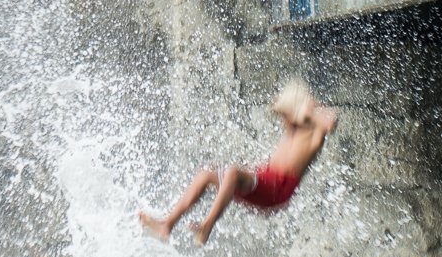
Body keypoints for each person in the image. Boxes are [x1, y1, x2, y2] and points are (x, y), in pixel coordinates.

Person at [138, 79, 339, 247]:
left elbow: (331, 120)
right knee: (205, 175)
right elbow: (278, 106)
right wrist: (295, 104)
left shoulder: (315, 134)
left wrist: (310, 109)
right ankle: (167, 225)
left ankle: (207, 226)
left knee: (232, 173)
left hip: (277, 190)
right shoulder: (292, 127)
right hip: (264, 181)